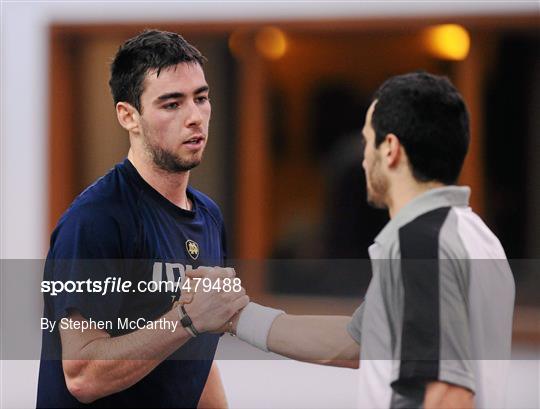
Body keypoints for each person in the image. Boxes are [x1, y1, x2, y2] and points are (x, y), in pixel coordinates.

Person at [193, 72, 515, 408]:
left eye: (367, 141)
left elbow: (448, 391)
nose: (363, 159)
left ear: (390, 149)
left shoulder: (421, 244)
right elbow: (356, 341)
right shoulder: (475, 235)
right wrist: (236, 316)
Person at [36, 29, 248, 408]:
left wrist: (194, 323)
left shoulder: (209, 217)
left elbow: (194, 358)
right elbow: (82, 375)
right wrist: (187, 318)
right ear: (128, 116)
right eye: (171, 104)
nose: (195, 117)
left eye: (201, 98)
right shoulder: (97, 220)